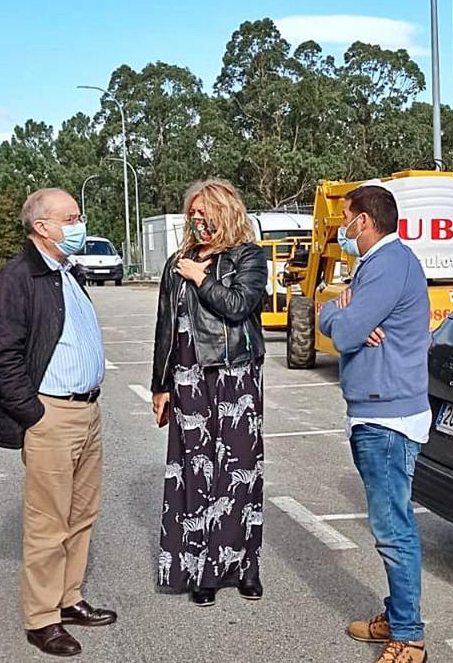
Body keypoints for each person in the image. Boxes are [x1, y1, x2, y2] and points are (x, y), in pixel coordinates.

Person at [0, 188, 115, 658]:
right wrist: (32, 413)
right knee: (47, 522)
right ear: (42, 227)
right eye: (71, 217)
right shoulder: (17, 279)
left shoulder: (65, 273)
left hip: (87, 411)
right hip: (52, 414)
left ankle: (69, 598)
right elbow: (2, 355)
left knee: (81, 515)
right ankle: (42, 619)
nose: (80, 224)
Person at [319, 185, 430, 663]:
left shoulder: (387, 265)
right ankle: (396, 614)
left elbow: (342, 332)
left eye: (346, 219)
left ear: (363, 221)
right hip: (375, 410)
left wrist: (346, 316)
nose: (343, 228)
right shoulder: (375, 266)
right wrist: (341, 311)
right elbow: (335, 317)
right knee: (390, 524)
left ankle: (409, 636)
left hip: (388, 416)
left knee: (393, 529)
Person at [151, 178, 268, 607]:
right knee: (195, 472)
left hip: (235, 376)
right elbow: (166, 327)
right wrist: (159, 385)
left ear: (227, 213)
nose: (198, 222)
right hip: (187, 378)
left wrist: (202, 279)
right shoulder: (175, 263)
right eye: (193, 215)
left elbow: (238, 307)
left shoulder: (248, 258)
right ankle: (201, 568)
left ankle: (244, 565)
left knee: (239, 471)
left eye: (206, 214)